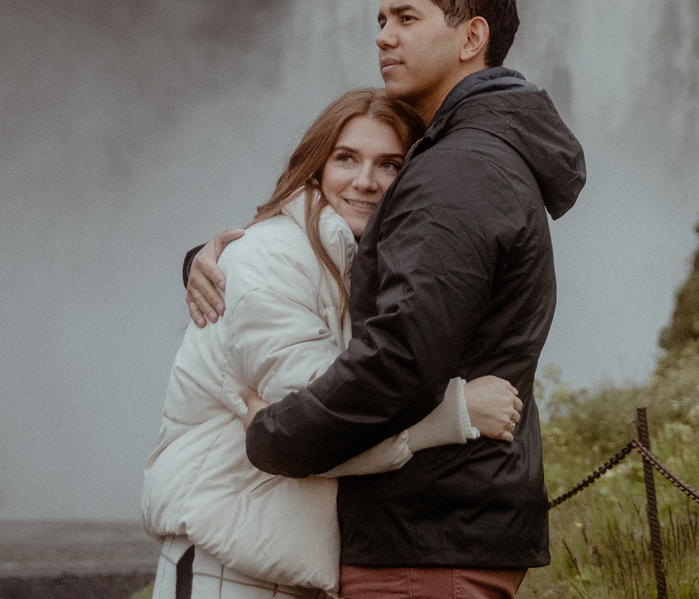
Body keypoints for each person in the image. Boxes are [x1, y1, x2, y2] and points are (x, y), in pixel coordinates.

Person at [185, 0, 585, 599]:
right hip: (445, 529)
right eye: (380, 20)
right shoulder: (480, 158)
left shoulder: (457, 171)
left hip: (423, 540)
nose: (383, 37)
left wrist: (275, 435)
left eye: (405, 17)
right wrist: (220, 258)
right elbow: (362, 277)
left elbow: (401, 358)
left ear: (471, 36)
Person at [142, 88, 526, 599]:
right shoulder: (270, 257)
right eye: (346, 158)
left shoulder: (365, 266)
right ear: (316, 167)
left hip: (280, 556)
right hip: (226, 560)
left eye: (390, 165)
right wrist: (456, 413)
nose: (365, 181)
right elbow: (323, 423)